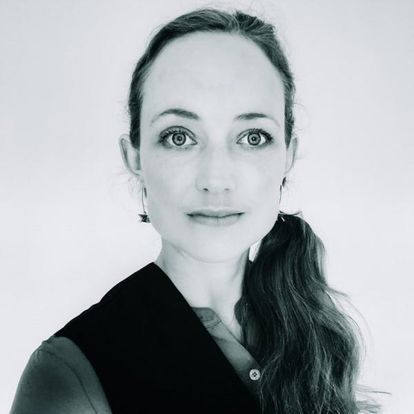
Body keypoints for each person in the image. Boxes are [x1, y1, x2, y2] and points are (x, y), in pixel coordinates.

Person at [10, 7, 383, 414]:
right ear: (134, 157)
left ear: (288, 155)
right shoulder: (69, 373)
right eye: (179, 136)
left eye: (253, 137)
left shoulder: (317, 327)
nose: (216, 179)